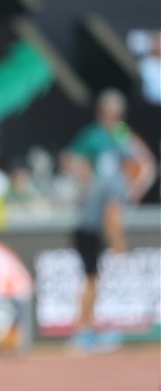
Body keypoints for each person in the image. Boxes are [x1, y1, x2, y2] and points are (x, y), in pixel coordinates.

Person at [65, 89, 156, 353]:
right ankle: (83, 329)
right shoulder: (94, 138)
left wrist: (135, 189)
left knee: (94, 279)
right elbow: (73, 159)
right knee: (91, 279)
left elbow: (146, 162)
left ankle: (88, 327)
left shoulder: (121, 137)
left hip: (93, 224)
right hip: (89, 226)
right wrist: (120, 249)